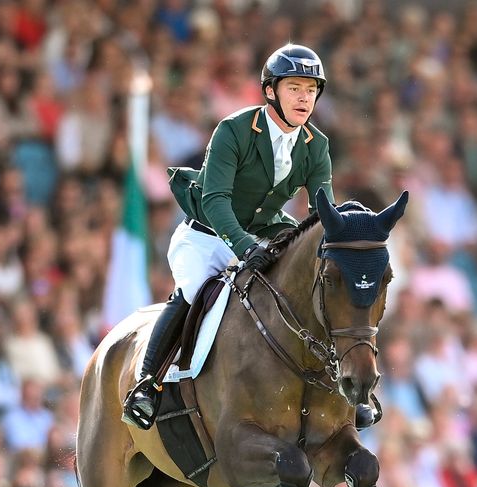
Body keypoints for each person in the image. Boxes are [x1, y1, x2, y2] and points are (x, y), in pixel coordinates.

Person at [122, 43, 334, 429]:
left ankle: (341, 386)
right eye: (295, 88)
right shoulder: (234, 129)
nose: (305, 98)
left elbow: (322, 215)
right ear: (271, 91)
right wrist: (244, 246)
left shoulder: (316, 146)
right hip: (206, 237)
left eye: (311, 90)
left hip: (262, 239)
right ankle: (146, 384)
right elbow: (215, 199)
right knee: (193, 289)